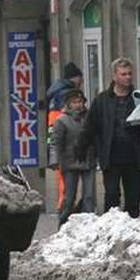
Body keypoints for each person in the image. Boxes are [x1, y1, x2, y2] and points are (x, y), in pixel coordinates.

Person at [79, 58, 140, 218]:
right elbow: (89, 127)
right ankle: (111, 231)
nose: (128, 77)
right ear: (114, 76)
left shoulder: (138, 99)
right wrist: (81, 150)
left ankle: (133, 233)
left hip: (133, 157)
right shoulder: (102, 100)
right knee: (112, 197)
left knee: (133, 200)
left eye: (130, 74)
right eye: (123, 74)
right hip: (111, 157)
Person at [48, 88, 96, 225]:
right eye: (74, 102)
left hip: (88, 160)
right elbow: (55, 142)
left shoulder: (89, 118)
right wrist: (54, 160)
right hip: (69, 162)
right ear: (68, 104)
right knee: (69, 197)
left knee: (89, 196)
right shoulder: (62, 120)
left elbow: (96, 137)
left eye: (80, 101)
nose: (78, 105)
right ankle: (63, 223)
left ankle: (88, 225)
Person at [47, 62, 84, 213]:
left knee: (61, 174)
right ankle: (65, 205)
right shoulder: (67, 93)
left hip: (54, 133)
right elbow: (70, 118)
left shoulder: (55, 91)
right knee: (66, 176)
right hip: (65, 137)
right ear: (76, 78)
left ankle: (65, 203)